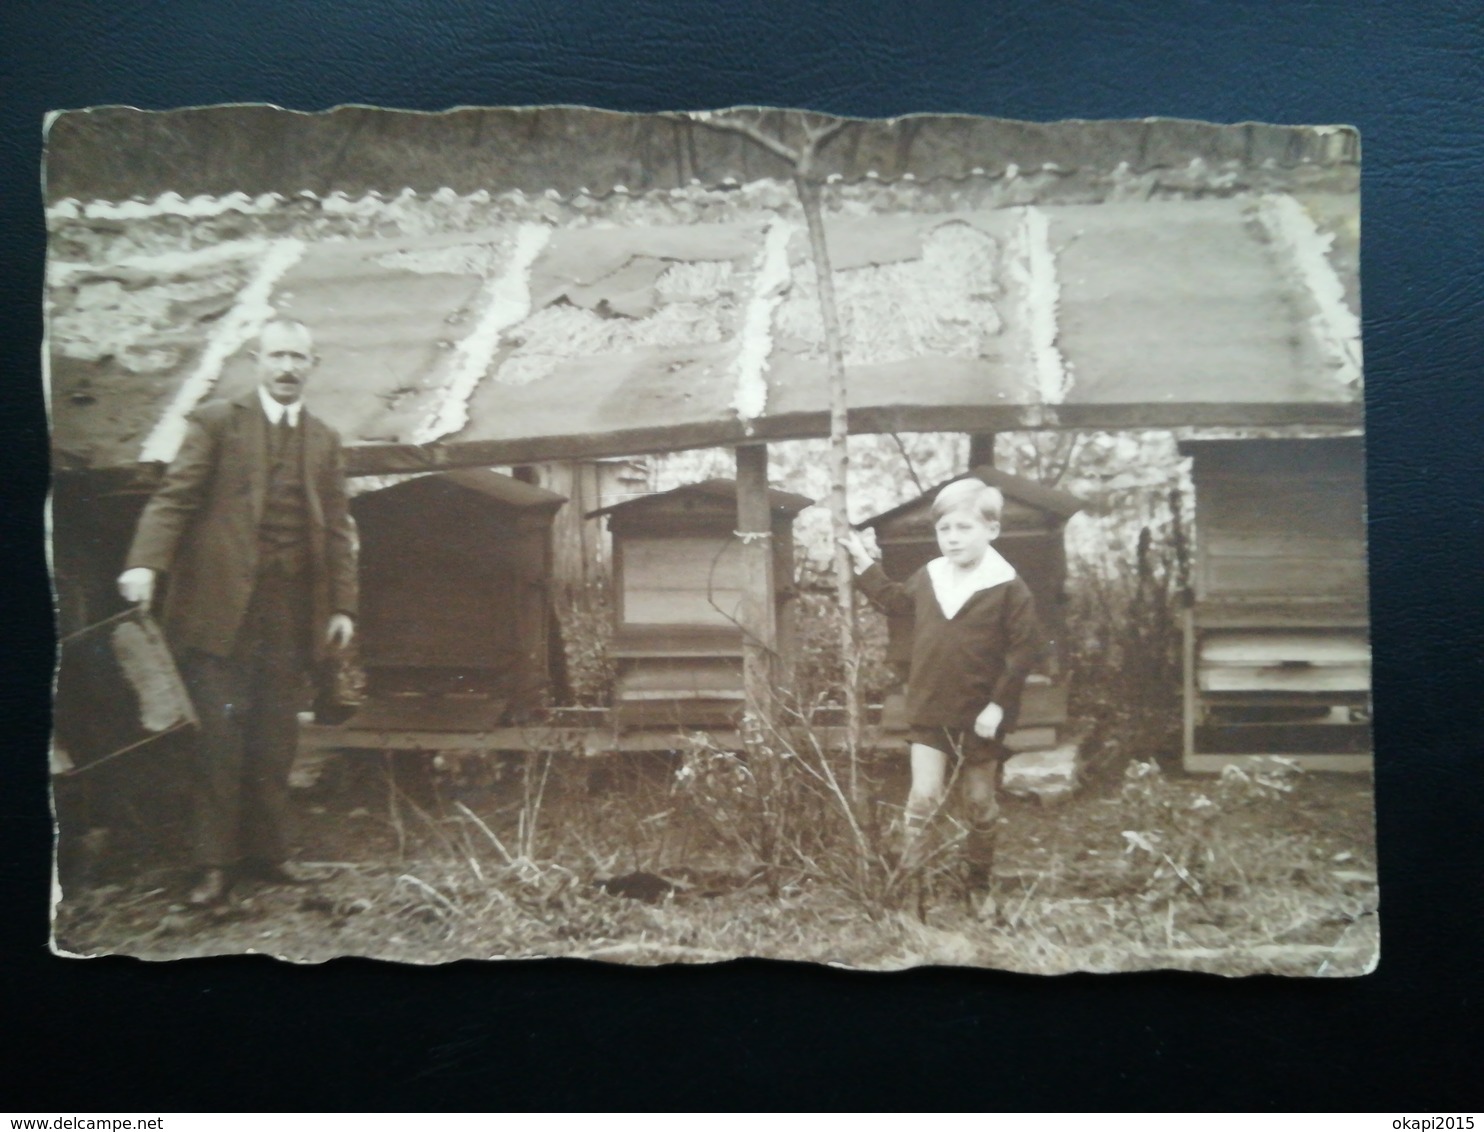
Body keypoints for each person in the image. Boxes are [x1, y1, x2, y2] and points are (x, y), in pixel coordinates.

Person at [118, 318, 357, 908]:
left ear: (313, 366)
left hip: (292, 615)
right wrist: (146, 564)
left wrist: (343, 606)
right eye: (277, 355)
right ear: (257, 360)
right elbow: (174, 498)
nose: (287, 368)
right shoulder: (216, 424)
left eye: (299, 358)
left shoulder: (324, 439)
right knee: (218, 742)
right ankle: (213, 866)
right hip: (219, 614)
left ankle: (269, 855)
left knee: (275, 739)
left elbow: (338, 529)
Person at [843, 477, 1044, 913]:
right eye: (944, 529)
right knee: (922, 799)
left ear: (991, 530)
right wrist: (862, 563)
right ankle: (913, 889)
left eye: (964, 528)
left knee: (979, 802)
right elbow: (895, 602)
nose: (952, 539)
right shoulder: (931, 575)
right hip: (931, 709)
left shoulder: (1009, 586)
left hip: (980, 716)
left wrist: (998, 705)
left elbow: (1024, 651)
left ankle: (978, 884)